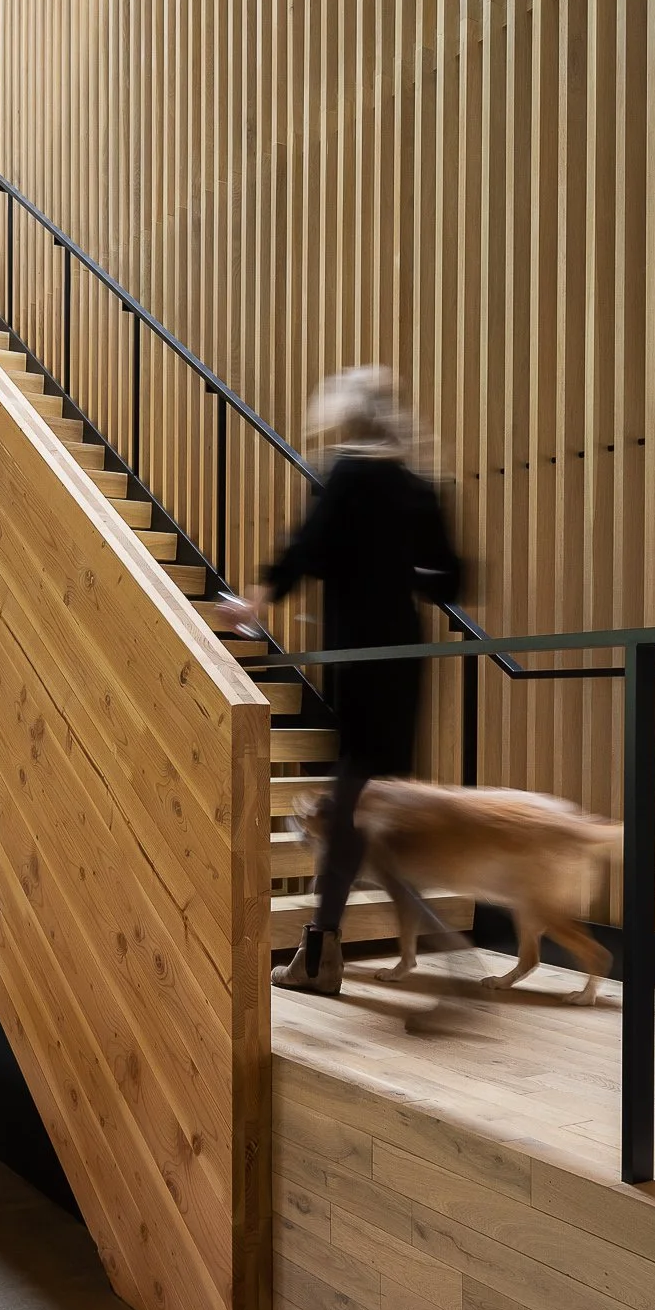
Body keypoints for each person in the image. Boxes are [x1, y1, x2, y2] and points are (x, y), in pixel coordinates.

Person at [215, 366, 461, 996]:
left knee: (352, 800)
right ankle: (382, 939)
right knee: (377, 797)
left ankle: (327, 950)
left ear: (348, 419)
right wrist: (399, 567)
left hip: (359, 653)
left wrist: (257, 602)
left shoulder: (347, 473)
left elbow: (306, 548)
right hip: (405, 655)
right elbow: (452, 579)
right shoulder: (419, 484)